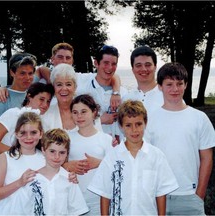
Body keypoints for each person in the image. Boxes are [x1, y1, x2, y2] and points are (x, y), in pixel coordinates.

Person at [144, 62, 215, 215]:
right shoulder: (149, 119)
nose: (175, 89)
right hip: (157, 196)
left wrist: (199, 195)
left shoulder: (199, 118)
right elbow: (145, 158)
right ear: (160, 86)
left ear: (186, 85)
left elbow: (207, 158)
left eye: (179, 84)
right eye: (169, 84)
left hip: (189, 196)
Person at [88, 100, 178, 215]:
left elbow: (161, 193)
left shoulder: (157, 156)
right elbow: (105, 194)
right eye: (128, 125)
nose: (134, 130)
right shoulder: (112, 157)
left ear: (145, 123)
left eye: (138, 124)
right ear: (121, 126)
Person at [0, 112, 86, 215]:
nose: (28, 137)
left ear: (41, 134)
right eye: (23, 133)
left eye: (33, 132)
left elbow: (58, 178)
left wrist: (70, 177)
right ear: (16, 134)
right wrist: (19, 183)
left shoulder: (47, 157)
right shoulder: (6, 158)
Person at [0, 42, 122, 112]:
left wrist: (116, 92)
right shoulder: (43, 82)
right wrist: (5, 88)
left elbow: (111, 75)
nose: (64, 61)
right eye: (60, 57)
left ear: (72, 60)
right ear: (52, 59)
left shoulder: (81, 78)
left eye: (68, 57)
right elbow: (23, 83)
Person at [0, 82, 54, 175]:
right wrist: (20, 153)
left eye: (48, 101)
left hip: (27, 171)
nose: (45, 105)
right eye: (41, 99)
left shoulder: (42, 123)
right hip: (5, 169)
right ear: (29, 97)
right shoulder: (13, 114)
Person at [65, 94, 113, 215]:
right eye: (75, 112)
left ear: (94, 112)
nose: (79, 116)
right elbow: (54, 165)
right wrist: (67, 165)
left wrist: (99, 163)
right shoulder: (67, 138)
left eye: (83, 112)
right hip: (73, 200)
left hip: (98, 201)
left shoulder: (106, 139)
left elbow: (116, 169)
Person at [75, 45, 128, 142]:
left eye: (114, 64)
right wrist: (99, 120)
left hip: (114, 150)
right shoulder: (81, 84)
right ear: (96, 63)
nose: (110, 68)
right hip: (88, 146)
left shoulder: (123, 93)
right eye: (106, 63)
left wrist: (116, 92)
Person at [30, 128, 89, 215]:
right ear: (43, 150)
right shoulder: (32, 179)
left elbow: (77, 210)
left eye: (62, 152)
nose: (57, 157)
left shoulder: (70, 179)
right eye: (52, 151)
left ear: (67, 153)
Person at [0, 52, 37, 143]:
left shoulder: (33, 96)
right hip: (6, 156)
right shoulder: (2, 98)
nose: (27, 77)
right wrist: (17, 153)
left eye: (30, 73)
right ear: (12, 73)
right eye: (22, 73)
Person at [41, 63, 102, 132]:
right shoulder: (46, 114)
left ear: (75, 87)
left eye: (68, 84)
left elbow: (99, 138)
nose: (64, 88)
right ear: (53, 88)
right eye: (59, 84)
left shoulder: (90, 110)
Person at [122, 45, 164, 115]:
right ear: (133, 69)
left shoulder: (168, 96)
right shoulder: (126, 99)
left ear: (155, 67)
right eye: (138, 65)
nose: (144, 69)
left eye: (148, 65)